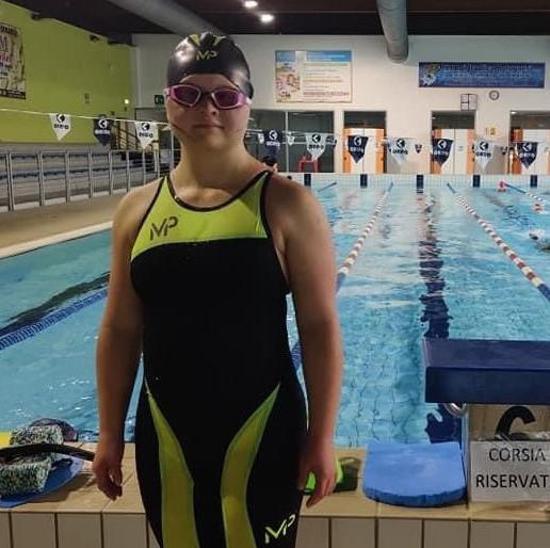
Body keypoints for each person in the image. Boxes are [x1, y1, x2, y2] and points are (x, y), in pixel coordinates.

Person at [93, 32, 343, 548]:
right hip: (166, 436)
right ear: (168, 103)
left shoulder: (288, 205)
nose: (207, 108)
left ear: (247, 105)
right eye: (189, 94)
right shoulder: (136, 210)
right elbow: (119, 330)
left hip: (264, 431)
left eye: (225, 95)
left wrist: (321, 436)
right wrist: (109, 433)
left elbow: (319, 329)